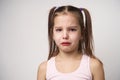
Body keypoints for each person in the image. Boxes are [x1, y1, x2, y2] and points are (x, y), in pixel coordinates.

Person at [37, 5, 105, 80]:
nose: (65, 36)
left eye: (72, 29)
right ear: (52, 34)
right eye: (59, 30)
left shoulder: (94, 66)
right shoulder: (44, 68)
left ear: (82, 33)